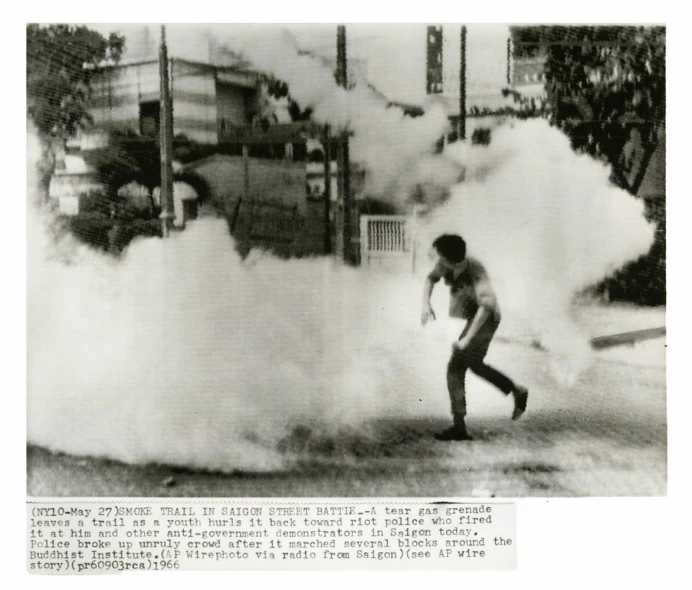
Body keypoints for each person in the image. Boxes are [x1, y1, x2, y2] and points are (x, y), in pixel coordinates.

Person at [422, 234, 528, 441]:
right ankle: (516, 390)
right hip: (473, 319)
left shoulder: (475, 271)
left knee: (455, 367)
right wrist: (425, 304)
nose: (438, 264)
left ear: (449, 258)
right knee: (475, 365)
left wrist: (467, 339)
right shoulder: (445, 265)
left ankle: (459, 426)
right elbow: (429, 279)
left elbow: (487, 305)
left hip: (485, 319)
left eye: (440, 258)